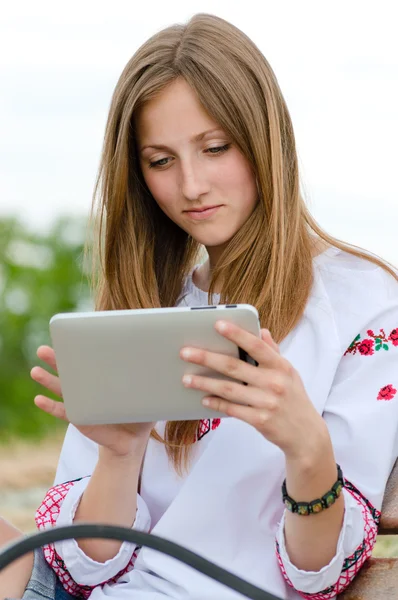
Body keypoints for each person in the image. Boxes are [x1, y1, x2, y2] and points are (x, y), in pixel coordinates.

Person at [1, 11, 398, 600]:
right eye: (160, 160)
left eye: (215, 148)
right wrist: (121, 452)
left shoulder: (365, 305)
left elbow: (318, 573)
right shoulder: (145, 305)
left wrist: (306, 447)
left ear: (265, 139)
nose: (190, 185)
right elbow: (86, 567)